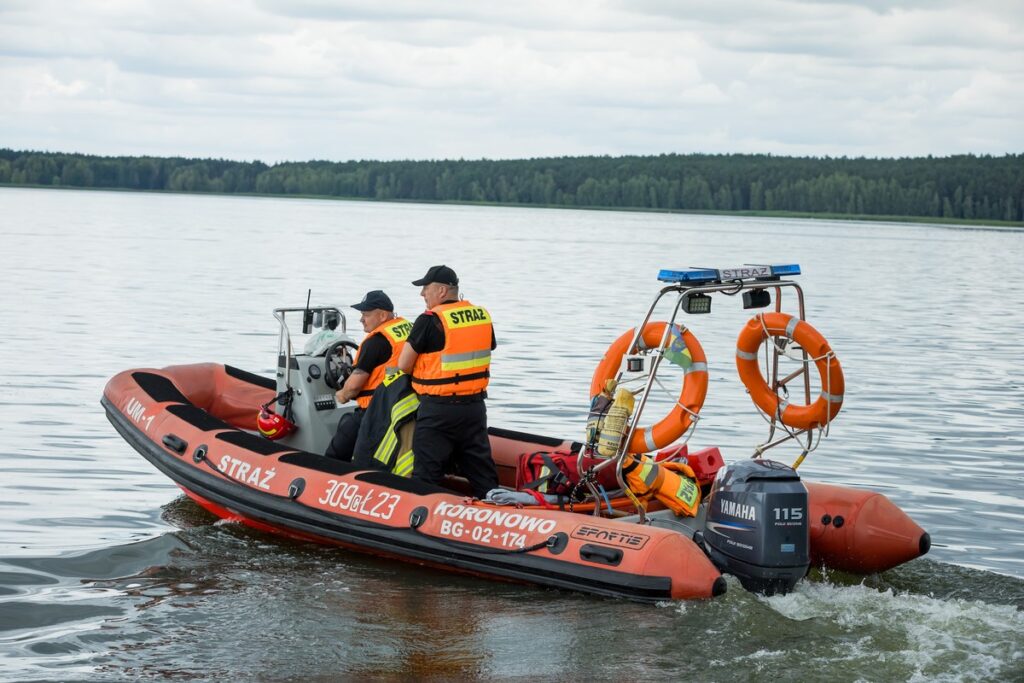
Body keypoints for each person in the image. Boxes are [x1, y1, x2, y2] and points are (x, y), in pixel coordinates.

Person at [397, 265, 499, 498]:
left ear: (442, 290)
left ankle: (420, 524)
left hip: (438, 410)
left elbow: (404, 364)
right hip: (474, 409)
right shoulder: (481, 315)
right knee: (482, 474)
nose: (422, 294)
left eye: (425, 288)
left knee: (426, 474)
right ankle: (498, 513)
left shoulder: (430, 319)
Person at [324, 290, 410, 461]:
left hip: (376, 411)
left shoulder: (375, 342)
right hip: (406, 405)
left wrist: (341, 394)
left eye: (366, 314)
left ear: (383, 315)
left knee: (338, 447)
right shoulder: (408, 328)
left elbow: (353, 386)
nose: (361, 319)